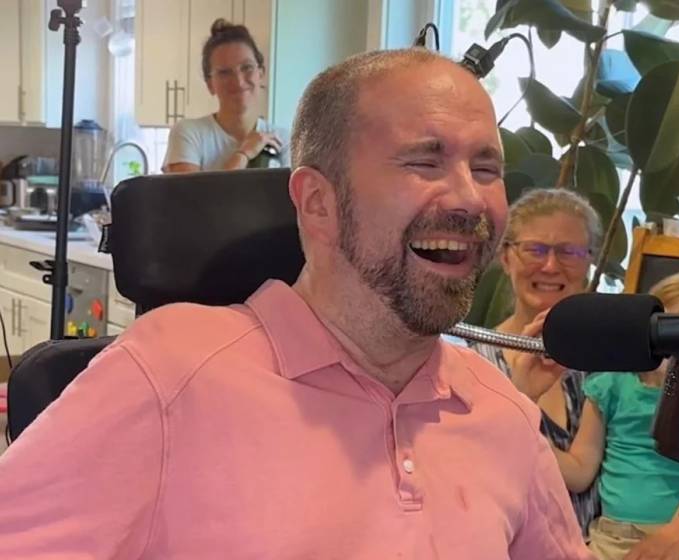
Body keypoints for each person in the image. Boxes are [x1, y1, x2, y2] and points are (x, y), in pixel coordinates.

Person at [0, 49, 593, 559]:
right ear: (316, 203)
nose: (470, 198)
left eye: (486, 167)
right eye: (424, 161)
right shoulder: (168, 377)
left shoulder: (502, 415)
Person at [554, 271, 679, 560]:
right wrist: (531, 438)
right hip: (612, 539)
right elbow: (580, 469)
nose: (672, 351)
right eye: (663, 333)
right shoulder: (611, 385)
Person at [469, 187, 603, 539]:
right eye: (535, 249)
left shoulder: (609, 364)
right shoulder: (467, 362)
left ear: (588, 261)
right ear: (506, 257)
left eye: (569, 252)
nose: (550, 266)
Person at [162, 19, 289, 172]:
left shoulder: (283, 140)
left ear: (261, 73)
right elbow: (192, 196)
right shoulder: (188, 133)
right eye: (224, 73)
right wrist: (243, 154)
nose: (239, 81)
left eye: (247, 67)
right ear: (210, 84)